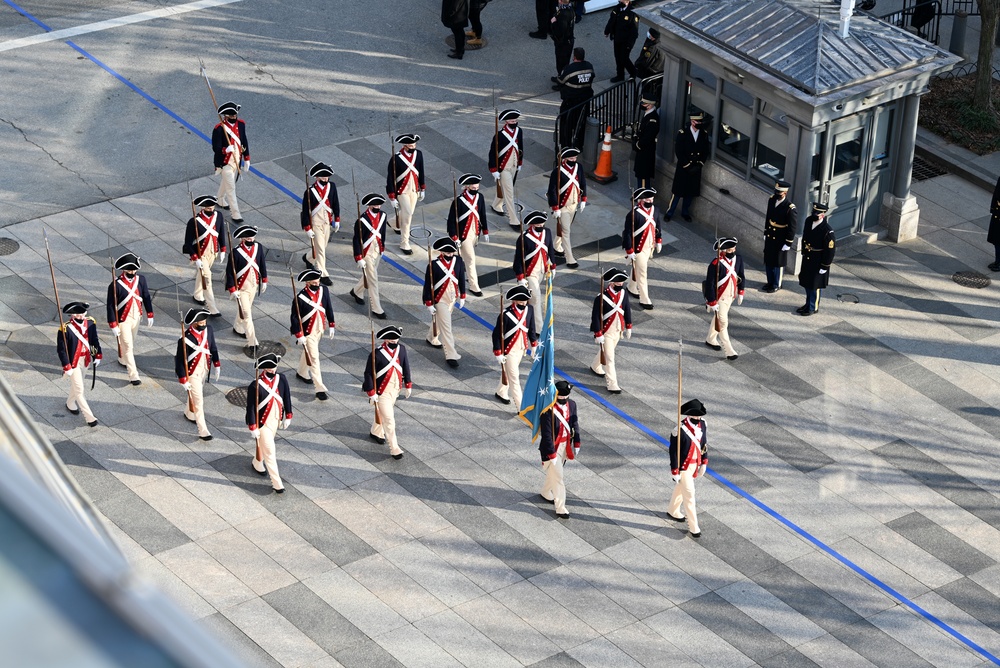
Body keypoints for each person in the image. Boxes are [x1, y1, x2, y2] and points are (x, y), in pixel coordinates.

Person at [362, 325, 412, 460]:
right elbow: (368, 374)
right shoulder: (376, 354)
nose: (395, 343)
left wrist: (408, 384)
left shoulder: (401, 349)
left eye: (397, 341)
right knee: (389, 420)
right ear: (386, 340)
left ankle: (376, 432)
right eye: (392, 341)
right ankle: (394, 448)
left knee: (382, 415)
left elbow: (405, 365)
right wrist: (371, 391)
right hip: (381, 391)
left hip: (395, 389)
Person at [246, 353, 291, 493]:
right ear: (264, 369)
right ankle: (277, 483)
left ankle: (257, 462)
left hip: (276, 419)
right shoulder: (255, 385)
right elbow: (251, 407)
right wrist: (252, 426)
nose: (274, 370)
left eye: (275, 367)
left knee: (265, 446)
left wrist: (288, 415)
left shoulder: (281, 379)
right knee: (270, 452)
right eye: (270, 368)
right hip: (263, 423)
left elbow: (287, 397)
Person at [106, 253, 153, 386]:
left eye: (134, 270)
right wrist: (113, 324)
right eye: (130, 270)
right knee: (128, 346)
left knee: (130, 342)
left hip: (136, 317)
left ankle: (122, 358)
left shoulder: (141, 280)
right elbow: (110, 305)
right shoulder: (115, 285)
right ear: (124, 270)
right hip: (123, 320)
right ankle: (134, 375)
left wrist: (150, 313)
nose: (132, 272)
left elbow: (146, 296)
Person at [174, 307, 220, 441]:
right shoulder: (185, 339)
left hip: (204, 369)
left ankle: (189, 413)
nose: (204, 325)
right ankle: (203, 430)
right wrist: (183, 379)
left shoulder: (209, 330)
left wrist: (216, 364)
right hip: (192, 373)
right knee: (199, 401)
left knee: (194, 395)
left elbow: (213, 348)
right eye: (201, 323)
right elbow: (180, 360)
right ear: (194, 323)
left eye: (205, 322)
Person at [291, 268, 336, 401]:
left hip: (320, 329)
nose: (317, 285)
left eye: (318, 282)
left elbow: (328, 307)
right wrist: (299, 335)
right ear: (307, 283)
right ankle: (319, 388)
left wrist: (332, 324)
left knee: (309, 354)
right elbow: (295, 318)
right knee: (314, 358)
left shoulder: (324, 290)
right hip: (308, 333)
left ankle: (301, 372)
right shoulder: (300, 298)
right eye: (314, 283)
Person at [666, 399, 709, 539]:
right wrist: (675, 471)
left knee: (681, 489)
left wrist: (704, 462)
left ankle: (673, 510)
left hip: (695, 465)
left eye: (699, 416)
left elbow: (704, 444)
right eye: (695, 416)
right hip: (683, 467)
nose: (698, 419)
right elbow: (673, 451)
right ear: (689, 416)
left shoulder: (703, 424)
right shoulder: (679, 430)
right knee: (690, 495)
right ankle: (693, 526)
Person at [538, 380, 581, 519]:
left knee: (554, 473)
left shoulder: (572, 404)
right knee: (559, 478)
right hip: (553, 448)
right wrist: (551, 454)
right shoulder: (548, 411)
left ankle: (545, 492)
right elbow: (547, 435)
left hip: (565, 446)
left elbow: (574, 423)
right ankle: (561, 507)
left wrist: (577, 442)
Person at [423, 238, 467, 368]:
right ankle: (451, 355)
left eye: (452, 252)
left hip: (452, 298)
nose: (450, 254)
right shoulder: (434, 265)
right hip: (439, 299)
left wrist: (463, 295)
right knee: (447, 327)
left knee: (441, 320)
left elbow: (461, 278)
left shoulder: (458, 260)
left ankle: (431, 337)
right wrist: (429, 303)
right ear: (441, 252)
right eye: (447, 252)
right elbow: (428, 286)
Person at [492, 285, 538, 409]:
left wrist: (534, 345)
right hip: (509, 351)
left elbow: (531, 329)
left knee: (508, 372)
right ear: (514, 301)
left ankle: (501, 392)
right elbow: (496, 335)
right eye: (520, 301)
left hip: (522, 349)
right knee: (514, 378)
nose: (523, 303)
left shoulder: (530, 309)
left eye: (525, 300)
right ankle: (521, 407)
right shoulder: (505, 315)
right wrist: (498, 353)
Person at [225, 224, 268, 357]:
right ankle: (252, 342)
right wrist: (232, 289)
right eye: (248, 237)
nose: (251, 239)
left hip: (253, 285)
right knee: (247, 314)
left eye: (252, 236)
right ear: (242, 239)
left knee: (245, 309)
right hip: (241, 289)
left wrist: (264, 279)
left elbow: (261, 263)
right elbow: (230, 273)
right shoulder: (236, 253)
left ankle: (238, 327)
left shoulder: (258, 247)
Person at [57, 301, 102, 427]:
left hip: (86, 359)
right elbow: (61, 350)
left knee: (77, 385)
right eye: (77, 314)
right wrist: (66, 366)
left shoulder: (91, 322)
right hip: (74, 362)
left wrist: (98, 354)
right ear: (72, 315)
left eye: (82, 313)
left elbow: (94, 340)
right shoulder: (65, 328)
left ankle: (70, 403)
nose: (81, 316)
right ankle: (90, 417)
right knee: (80, 390)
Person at [590, 268, 632, 394]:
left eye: (622, 283)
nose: (621, 285)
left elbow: (627, 310)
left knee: (607, 353)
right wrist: (598, 334)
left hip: (618, 330)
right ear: (612, 283)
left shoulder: (623, 294)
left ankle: (595, 366)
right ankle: (612, 383)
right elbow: (596, 317)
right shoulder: (601, 298)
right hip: (606, 332)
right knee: (610, 358)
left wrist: (629, 326)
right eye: (618, 283)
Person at [183, 195, 227, 316]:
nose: (211, 208)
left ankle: (197, 295)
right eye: (208, 206)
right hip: (200, 254)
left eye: (212, 206)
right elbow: (187, 243)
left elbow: (221, 232)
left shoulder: (218, 216)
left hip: (213, 253)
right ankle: (212, 307)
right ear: (203, 207)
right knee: (207, 278)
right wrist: (195, 258)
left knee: (202, 274)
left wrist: (223, 249)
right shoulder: (194, 222)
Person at [514, 210, 557, 333]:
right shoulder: (524, 238)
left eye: (542, 224)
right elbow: (518, 259)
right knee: (536, 298)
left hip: (542, 270)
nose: (540, 227)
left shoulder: (547, 232)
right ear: (531, 225)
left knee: (529, 299)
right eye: (538, 225)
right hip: (529, 273)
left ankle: (521, 317)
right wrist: (521, 277)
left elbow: (550, 250)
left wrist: (553, 266)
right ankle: (539, 329)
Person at [703, 237, 745, 361]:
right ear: (724, 250)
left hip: (731, 296)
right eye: (730, 249)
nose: (733, 251)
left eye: (734, 248)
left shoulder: (739, 259)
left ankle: (710, 339)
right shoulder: (715, 264)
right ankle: (729, 350)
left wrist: (741, 291)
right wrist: (712, 301)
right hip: (719, 298)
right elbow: (710, 284)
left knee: (718, 319)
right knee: (723, 322)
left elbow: (741, 275)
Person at [447, 173, 489, 296]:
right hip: (463, 235)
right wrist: (455, 237)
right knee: (470, 259)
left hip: (475, 232)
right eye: (473, 188)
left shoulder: (480, 197)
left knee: (459, 260)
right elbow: (451, 221)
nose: (475, 191)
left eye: (477, 188)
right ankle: (474, 286)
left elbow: (482, 214)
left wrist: (485, 230)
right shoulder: (459, 201)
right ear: (467, 187)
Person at [301, 162, 340, 286]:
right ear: (316, 177)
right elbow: (306, 211)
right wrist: (307, 227)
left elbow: (335, 203)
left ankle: (308, 258)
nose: (325, 178)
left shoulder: (332, 187)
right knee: (321, 250)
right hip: (315, 224)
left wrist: (337, 219)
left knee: (322, 247)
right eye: (322, 176)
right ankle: (323, 273)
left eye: (327, 176)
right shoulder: (310, 191)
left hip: (326, 222)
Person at [547, 147, 587, 269]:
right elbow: (552, 191)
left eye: (575, 158)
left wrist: (584, 198)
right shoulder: (557, 172)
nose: (574, 160)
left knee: (566, 228)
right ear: (565, 159)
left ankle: (555, 245)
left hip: (574, 204)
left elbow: (583, 182)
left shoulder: (578, 167)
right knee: (566, 232)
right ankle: (570, 258)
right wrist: (555, 207)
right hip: (562, 206)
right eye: (571, 158)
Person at [666, 112, 711, 222]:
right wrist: (687, 165)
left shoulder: (703, 134)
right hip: (683, 167)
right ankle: (670, 212)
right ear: (692, 121)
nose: (699, 123)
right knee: (677, 192)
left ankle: (685, 212)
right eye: (697, 121)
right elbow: (679, 151)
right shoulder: (683, 133)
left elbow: (705, 151)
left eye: (700, 121)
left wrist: (699, 164)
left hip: (696, 168)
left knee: (690, 192)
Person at [349, 193, 388, 319]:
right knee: (373, 280)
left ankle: (356, 291)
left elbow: (383, 233)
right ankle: (377, 308)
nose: (377, 206)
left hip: (377, 250)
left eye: (379, 204)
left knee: (369, 275)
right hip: (366, 252)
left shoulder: (383, 216)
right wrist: (358, 257)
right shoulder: (361, 221)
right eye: (375, 205)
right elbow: (356, 240)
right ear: (369, 206)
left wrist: (382, 248)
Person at [623, 187, 663, 310]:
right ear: (640, 200)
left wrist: (659, 240)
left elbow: (657, 226)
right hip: (638, 248)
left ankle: (631, 287)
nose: (650, 200)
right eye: (647, 198)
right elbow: (627, 233)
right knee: (642, 273)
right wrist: (629, 250)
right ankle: (645, 299)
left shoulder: (655, 210)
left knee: (638, 268)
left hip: (649, 246)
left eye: (651, 198)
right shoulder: (633, 214)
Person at [386, 133, 426, 255]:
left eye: (414, 144)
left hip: (414, 189)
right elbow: (391, 178)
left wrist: (422, 188)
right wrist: (392, 196)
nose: (413, 146)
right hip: (401, 191)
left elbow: (421, 171)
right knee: (407, 216)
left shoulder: (418, 154)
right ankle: (405, 243)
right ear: (404, 146)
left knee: (408, 213)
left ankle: (393, 222)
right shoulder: (396, 158)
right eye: (410, 144)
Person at [212, 101, 249, 224]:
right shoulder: (219, 129)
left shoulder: (241, 124)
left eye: (235, 115)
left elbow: (244, 141)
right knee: (231, 187)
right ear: (226, 116)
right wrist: (225, 149)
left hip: (237, 159)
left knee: (228, 183)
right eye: (231, 116)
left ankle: (220, 198)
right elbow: (215, 148)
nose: (234, 118)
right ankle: (236, 213)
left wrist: (247, 158)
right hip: (225, 162)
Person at [489, 109, 524, 230]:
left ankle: (496, 204)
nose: (514, 122)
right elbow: (493, 153)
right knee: (510, 193)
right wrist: (494, 170)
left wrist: (520, 162)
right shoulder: (499, 135)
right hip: (503, 167)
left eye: (515, 120)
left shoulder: (519, 131)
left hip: (514, 166)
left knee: (507, 188)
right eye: (511, 120)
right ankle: (513, 220)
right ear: (506, 121)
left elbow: (521, 147)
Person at [797, 202, 835, 316]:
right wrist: (803, 251)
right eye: (814, 212)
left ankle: (813, 307)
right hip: (808, 258)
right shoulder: (809, 221)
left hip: (818, 261)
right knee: (807, 283)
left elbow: (830, 251)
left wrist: (825, 266)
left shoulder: (827, 231)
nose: (814, 214)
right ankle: (808, 303)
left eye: (817, 213)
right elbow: (805, 236)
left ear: (823, 215)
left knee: (815, 286)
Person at [554, 47, 595, 148]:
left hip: (570, 102)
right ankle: (579, 145)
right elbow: (592, 76)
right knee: (581, 123)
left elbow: (560, 80)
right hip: (584, 101)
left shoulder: (569, 69)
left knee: (566, 124)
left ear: (574, 57)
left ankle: (565, 145)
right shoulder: (589, 66)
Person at [762, 180, 797, 292]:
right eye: (776, 192)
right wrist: (766, 231)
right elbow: (768, 216)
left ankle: (776, 284)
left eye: (779, 193)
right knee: (768, 259)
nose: (777, 195)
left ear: (785, 194)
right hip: (770, 234)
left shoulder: (790, 208)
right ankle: (770, 282)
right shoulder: (772, 200)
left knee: (778, 263)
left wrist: (788, 243)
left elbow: (792, 228)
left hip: (780, 238)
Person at [604, 0, 638, 83]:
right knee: (618, 58)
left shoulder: (632, 13)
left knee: (624, 59)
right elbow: (611, 20)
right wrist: (607, 31)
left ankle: (633, 73)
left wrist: (630, 44)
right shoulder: (617, 8)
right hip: (617, 38)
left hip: (626, 41)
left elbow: (634, 32)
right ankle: (620, 75)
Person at [633, 98, 660, 189]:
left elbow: (648, 137)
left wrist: (638, 145)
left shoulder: (653, 119)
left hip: (646, 151)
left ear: (650, 105)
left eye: (644, 104)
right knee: (640, 174)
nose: (642, 105)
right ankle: (640, 195)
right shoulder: (647, 114)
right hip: (642, 151)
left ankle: (643, 198)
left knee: (643, 176)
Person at [550, 0, 576, 81]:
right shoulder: (571, 9)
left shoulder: (563, 14)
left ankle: (561, 81)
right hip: (569, 40)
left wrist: (553, 23)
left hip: (563, 43)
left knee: (561, 63)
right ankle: (561, 77)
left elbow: (561, 30)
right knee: (564, 62)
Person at [987, 175, 1000, 271]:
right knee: (996, 240)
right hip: (997, 212)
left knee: (998, 240)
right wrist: (992, 208)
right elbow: (996, 194)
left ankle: (999, 263)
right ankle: (997, 261)